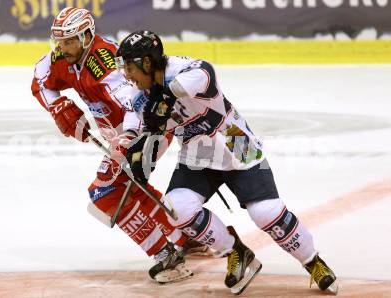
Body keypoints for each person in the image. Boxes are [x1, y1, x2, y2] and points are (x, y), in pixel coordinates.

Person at [115, 30, 338, 295]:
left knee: (266, 212)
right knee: (178, 208)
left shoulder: (185, 70)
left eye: (129, 66)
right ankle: (237, 252)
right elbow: (140, 125)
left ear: (147, 62)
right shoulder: (139, 96)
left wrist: (165, 97)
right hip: (195, 154)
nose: (126, 75)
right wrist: (136, 150)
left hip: (234, 141)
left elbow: (205, 73)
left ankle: (313, 261)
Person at [30, 7, 200, 283]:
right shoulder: (64, 56)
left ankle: (168, 257)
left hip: (149, 131)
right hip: (121, 134)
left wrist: (127, 141)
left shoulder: (106, 64)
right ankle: (185, 234)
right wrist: (57, 106)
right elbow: (39, 77)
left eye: (70, 40)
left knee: (105, 192)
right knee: (129, 186)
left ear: (86, 37)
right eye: (60, 41)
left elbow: (137, 105)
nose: (63, 47)